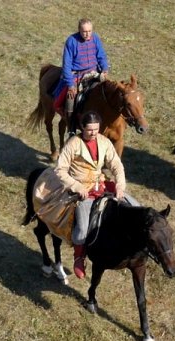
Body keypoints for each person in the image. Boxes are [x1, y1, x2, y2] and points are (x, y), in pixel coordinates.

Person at [54, 111, 129, 279]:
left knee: (133, 206)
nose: (94, 133)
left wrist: (120, 185)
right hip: (84, 191)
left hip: (102, 185)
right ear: (82, 128)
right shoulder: (73, 143)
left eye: (96, 129)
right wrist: (76, 186)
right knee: (81, 229)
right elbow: (60, 170)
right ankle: (79, 256)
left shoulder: (104, 142)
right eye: (90, 130)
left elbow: (116, 164)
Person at [52, 18, 110, 132]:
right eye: (84, 31)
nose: (87, 34)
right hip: (77, 75)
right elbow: (67, 64)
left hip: (94, 73)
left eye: (89, 31)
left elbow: (101, 56)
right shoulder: (71, 41)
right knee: (70, 99)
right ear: (79, 30)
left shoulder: (95, 39)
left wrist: (105, 69)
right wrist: (70, 85)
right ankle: (71, 127)